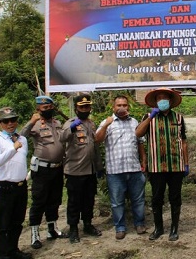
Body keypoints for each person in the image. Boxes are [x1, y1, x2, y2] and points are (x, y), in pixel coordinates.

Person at [135, 88, 189, 242]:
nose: (163, 100)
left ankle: (174, 229)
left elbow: (184, 142)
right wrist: (150, 117)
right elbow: (138, 133)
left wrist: (186, 163)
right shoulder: (148, 117)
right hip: (156, 167)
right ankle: (158, 228)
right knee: (157, 198)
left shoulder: (178, 118)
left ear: (171, 101)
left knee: (175, 198)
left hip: (176, 166)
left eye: (165, 98)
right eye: (159, 98)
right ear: (156, 101)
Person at [95, 95, 147, 240]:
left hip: (134, 168)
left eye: (124, 105)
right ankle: (120, 227)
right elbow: (97, 140)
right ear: (114, 107)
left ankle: (139, 224)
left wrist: (143, 160)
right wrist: (105, 125)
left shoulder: (134, 122)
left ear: (128, 107)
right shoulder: (107, 122)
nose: (122, 108)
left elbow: (140, 142)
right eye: (119, 105)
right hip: (115, 171)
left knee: (138, 199)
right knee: (117, 202)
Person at [19, 95, 67, 249]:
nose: (48, 110)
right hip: (42, 169)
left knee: (55, 199)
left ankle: (52, 230)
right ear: (38, 109)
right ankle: (35, 234)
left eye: (50, 107)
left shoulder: (57, 123)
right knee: (39, 201)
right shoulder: (35, 124)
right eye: (44, 108)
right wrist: (31, 122)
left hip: (58, 167)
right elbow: (20, 137)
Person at [0, 107, 32, 259]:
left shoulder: (22, 139)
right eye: (6, 121)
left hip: (20, 186)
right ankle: (2, 255)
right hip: (4, 187)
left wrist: (16, 146)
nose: (10, 123)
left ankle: (13, 250)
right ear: (0, 124)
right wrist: (12, 149)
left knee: (17, 222)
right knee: (2, 225)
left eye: (13, 120)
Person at [60, 94, 104, 244]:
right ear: (76, 108)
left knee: (89, 200)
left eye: (87, 106)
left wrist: (99, 167)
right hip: (75, 171)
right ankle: (73, 229)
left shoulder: (91, 124)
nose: (85, 109)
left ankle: (87, 225)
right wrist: (71, 129)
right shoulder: (70, 123)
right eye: (82, 107)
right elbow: (62, 138)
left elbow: (95, 146)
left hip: (90, 170)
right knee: (74, 202)